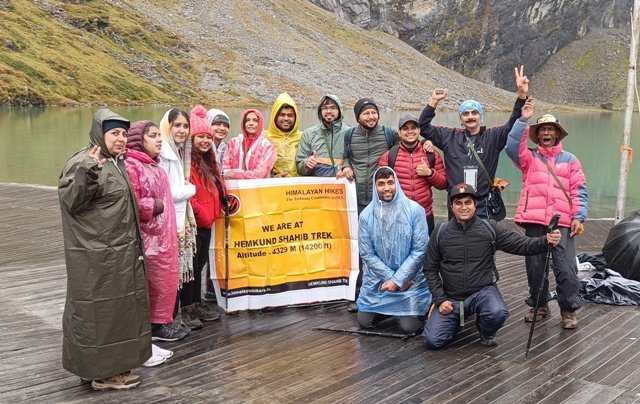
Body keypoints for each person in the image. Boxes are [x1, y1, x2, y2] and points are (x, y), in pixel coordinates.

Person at [58, 109, 151, 390]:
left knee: (115, 316)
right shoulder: (85, 162)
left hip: (118, 255)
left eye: (124, 133)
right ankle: (104, 375)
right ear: (100, 133)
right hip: (97, 258)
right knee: (97, 316)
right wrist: (88, 169)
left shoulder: (113, 162)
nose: (121, 139)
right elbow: (70, 200)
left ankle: (102, 368)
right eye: (114, 133)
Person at [422, 183, 561, 349]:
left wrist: (545, 241)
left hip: (482, 291)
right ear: (451, 206)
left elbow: (522, 244)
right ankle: (454, 323)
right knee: (433, 340)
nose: (463, 207)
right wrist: (440, 299)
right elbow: (430, 269)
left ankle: (486, 331)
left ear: (475, 205)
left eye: (468, 202)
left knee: (497, 312)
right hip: (451, 296)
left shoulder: (489, 228)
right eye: (458, 203)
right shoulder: (441, 232)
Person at [506, 101, 587, 329]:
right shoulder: (529, 159)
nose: (546, 133)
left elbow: (579, 190)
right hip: (534, 219)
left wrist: (579, 216)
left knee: (566, 267)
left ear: (558, 134)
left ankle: (568, 309)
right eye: (542, 129)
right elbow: (511, 148)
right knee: (535, 266)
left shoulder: (571, 160)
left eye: (551, 129)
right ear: (537, 135)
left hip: (562, 221)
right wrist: (523, 120)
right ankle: (540, 305)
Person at [418, 66, 530, 219]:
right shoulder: (449, 136)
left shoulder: (493, 137)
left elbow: (513, 124)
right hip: (456, 203)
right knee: (455, 241)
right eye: (466, 113)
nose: (470, 117)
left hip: (482, 204)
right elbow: (422, 127)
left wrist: (521, 95)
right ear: (461, 119)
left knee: (484, 241)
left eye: (474, 113)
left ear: (480, 116)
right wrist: (434, 102)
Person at [125, 121, 187, 358]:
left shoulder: (156, 166)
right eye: (152, 136)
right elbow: (132, 202)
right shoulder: (132, 166)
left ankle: (162, 322)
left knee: (165, 281)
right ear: (139, 140)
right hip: (149, 237)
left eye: (158, 135)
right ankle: (154, 325)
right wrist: (155, 206)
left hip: (164, 236)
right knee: (153, 282)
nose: (159, 140)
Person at [356, 167, 431, 334]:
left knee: (409, 328)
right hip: (380, 282)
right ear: (375, 187)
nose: (386, 188)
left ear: (396, 182)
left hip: (410, 281)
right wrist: (392, 278)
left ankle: (419, 311)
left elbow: (419, 250)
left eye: (390, 182)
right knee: (364, 322)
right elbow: (367, 254)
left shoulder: (414, 210)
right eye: (381, 184)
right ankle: (390, 311)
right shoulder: (366, 216)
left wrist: (400, 280)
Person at [340, 97, 398, 312]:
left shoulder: (388, 134)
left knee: (384, 247)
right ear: (358, 117)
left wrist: (428, 144)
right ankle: (357, 293)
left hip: (383, 200)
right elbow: (345, 157)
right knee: (359, 249)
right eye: (366, 113)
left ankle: (387, 290)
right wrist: (346, 166)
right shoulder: (349, 135)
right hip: (357, 201)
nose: (371, 117)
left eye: (373, 112)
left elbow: (409, 147)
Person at [180, 105, 226, 329]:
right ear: (192, 137)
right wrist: (198, 211)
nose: (206, 141)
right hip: (195, 221)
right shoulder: (188, 161)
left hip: (207, 220)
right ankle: (187, 307)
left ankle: (196, 302)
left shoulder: (209, 159)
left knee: (199, 264)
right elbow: (187, 188)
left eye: (208, 137)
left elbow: (216, 183)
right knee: (190, 266)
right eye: (201, 137)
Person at [379, 114, 447, 234]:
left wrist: (430, 173)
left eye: (413, 128)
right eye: (405, 128)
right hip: (397, 215)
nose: (410, 131)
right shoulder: (389, 156)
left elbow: (443, 184)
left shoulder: (431, 154)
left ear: (419, 130)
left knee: (425, 251)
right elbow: (379, 187)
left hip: (424, 214)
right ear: (399, 132)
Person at [158, 108, 197, 302]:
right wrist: (190, 190)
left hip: (179, 218)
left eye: (185, 126)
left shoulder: (180, 151)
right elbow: (164, 192)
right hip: (168, 220)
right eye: (177, 125)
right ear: (168, 126)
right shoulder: (162, 153)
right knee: (169, 272)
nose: (182, 130)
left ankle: (175, 315)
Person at [296, 94, 349, 176]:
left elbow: (358, 162)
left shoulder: (350, 133)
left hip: (342, 185)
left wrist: (347, 167)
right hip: (317, 187)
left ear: (339, 110)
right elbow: (299, 168)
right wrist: (307, 163)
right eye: (325, 108)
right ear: (320, 111)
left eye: (333, 108)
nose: (328, 111)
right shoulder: (309, 134)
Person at [222, 108, 276, 179]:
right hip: (234, 188)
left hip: (258, 188)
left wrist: (234, 174)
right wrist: (229, 174)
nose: (251, 123)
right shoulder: (233, 143)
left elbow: (259, 174)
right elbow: (225, 170)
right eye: (247, 120)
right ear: (243, 123)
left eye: (255, 120)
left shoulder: (267, 146)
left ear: (260, 123)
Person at [263, 92, 303, 177]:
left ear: (295, 117)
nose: (286, 118)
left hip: (298, 187)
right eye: (282, 115)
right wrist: (272, 177)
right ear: (275, 116)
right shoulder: (263, 137)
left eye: (290, 115)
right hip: (272, 187)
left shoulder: (304, 137)